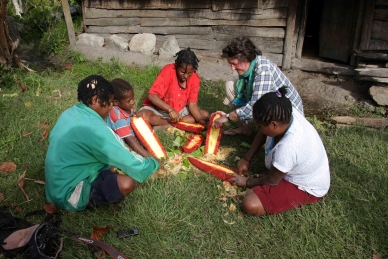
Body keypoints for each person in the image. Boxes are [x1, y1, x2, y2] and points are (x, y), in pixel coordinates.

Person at [45, 75, 160, 212]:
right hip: (69, 195)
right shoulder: (96, 129)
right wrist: (154, 164)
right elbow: (128, 160)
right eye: (109, 103)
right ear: (95, 100)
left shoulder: (70, 113)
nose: (111, 108)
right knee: (127, 183)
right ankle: (83, 200)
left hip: (54, 187)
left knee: (110, 165)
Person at [230, 87, 330, 216]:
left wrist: (247, 182)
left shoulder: (289, 146)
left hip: (307, 186)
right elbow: (264, 131)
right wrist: (247, 159)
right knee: (256, 191)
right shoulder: (283, 114)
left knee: (250, 204)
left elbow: (272, 181)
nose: (258, 128)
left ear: (274, 124)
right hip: (298, 168)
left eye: (259, 125)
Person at [212, 36, 303, 136]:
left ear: (245, 58)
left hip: (287, 115)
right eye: (230, 64)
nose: (232, 68)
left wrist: (228, 117)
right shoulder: (249, 66)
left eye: (234, 64)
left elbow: (255, 105)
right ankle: (245, 129)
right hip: (269, 104)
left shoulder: (263, 70)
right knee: (231, 85)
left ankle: (270, 132)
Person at [138, 48, 209, 126]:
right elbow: (152, 95)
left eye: (189, 73)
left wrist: (199, 120)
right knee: (144, 115)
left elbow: (192, 104)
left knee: (205, 115)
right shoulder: (168, 70)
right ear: (176, 65)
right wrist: (170, 110)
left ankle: (171, 122)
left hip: (179, 111)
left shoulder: (195, 78)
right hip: (159, 109)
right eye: (182, 72)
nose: (185, 76)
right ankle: (175, 122)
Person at [106, 78, 152, 158]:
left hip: (130, 137)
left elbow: (131, 118)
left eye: (133, 98)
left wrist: (135, 115)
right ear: (116, 102)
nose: (133, 102)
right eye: (129, 100)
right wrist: (148, 156)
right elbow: (130, 141)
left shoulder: (126, 107)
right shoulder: (119, 119)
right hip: (121, 146)